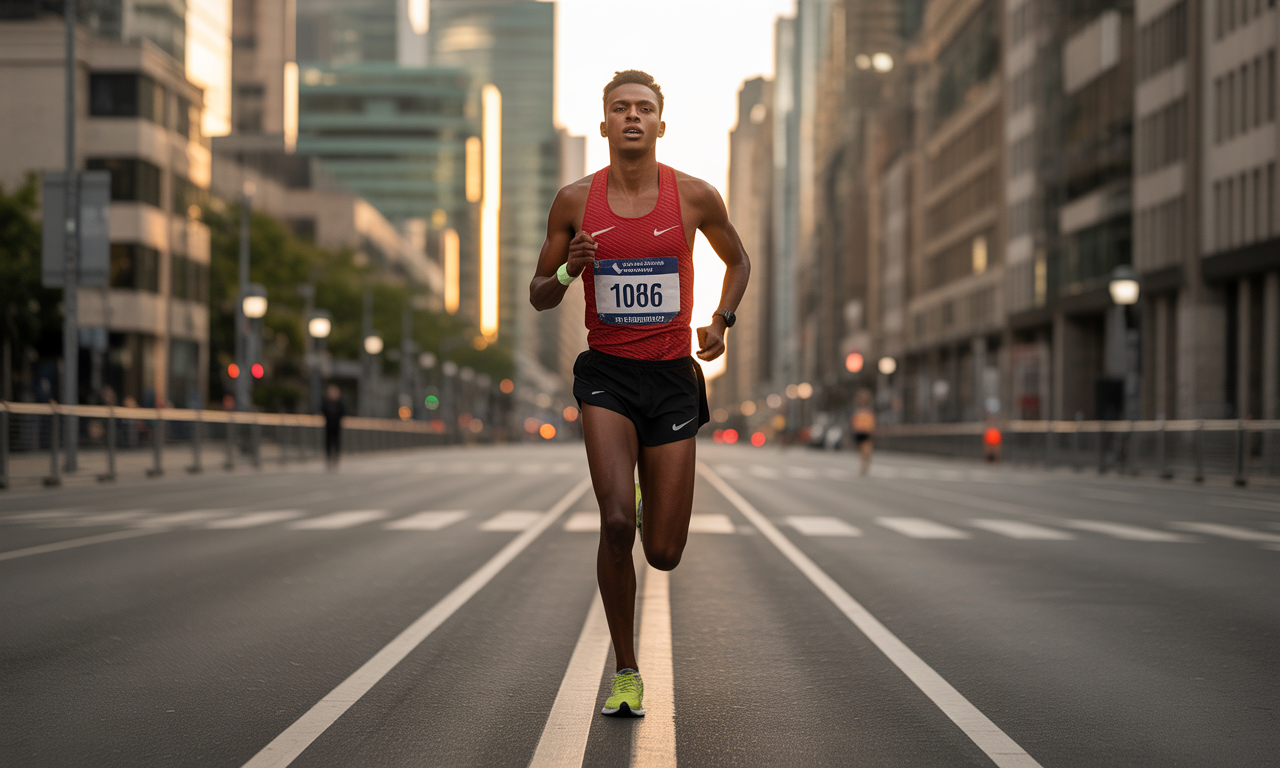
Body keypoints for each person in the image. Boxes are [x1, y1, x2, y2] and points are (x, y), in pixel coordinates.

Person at [529, 70, 750, 718]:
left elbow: (737, 260)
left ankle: (655, 477)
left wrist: (720, 320)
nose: (632, 117)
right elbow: (540, 295)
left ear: (660, 123)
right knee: (616, 521)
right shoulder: (574, 201)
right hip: (606, 375)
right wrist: (572, 264)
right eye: (620, 108)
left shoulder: (694, 196)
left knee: (664, 551)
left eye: (643, 109)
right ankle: (626, 671)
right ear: (604, 123)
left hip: (673, 378)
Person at [851, 388, 876, 476]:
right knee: (862, 451)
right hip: (859, 432)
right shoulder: (857, 409)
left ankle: (864, 466)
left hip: (866, 432)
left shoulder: (869, 409)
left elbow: (872, 422)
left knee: (866, 451)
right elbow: (854, 421)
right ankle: (863, 465)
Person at [320, 384, 345, 469]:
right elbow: (322, 410)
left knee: (336, 442)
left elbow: (343, 412)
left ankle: (336, 459)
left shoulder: (339, 403)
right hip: (328, 426)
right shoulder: (326, 402)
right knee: (328, 443)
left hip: (337, 426)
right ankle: (328, 459)